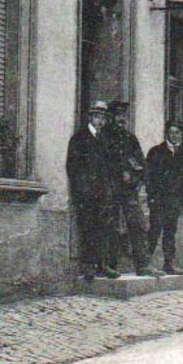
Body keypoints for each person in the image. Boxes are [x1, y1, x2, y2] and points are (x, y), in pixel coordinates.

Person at [102, 100, 161, 276]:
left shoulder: (130, 138)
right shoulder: (103, 137)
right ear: (110, 117)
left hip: (129, 189)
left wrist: (134, 176)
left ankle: (143, 265)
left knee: (138, 224)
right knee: (110, 226)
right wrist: (119, 172)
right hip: (110, 188)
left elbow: (142, 163)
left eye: (124, 116)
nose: (122, 119)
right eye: (118, 115)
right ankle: (109, 265)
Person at [66, 100, 120, 283]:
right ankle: (89, 266)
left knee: (104, 229)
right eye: (98, 116)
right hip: (86, 194)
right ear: (91, 117)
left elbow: (111, 167)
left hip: (104, 193)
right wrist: (82, 190)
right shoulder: (79, 138)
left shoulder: (106, 139)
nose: (101, 120)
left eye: (104, 117)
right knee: (88, 229)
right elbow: (72, 167)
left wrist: (110, 189)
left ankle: (103, 265)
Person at [146, 122, 183, 274]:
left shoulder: (182, 153)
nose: (175, 136)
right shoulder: (156, 151)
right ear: (166, 134)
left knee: (170, 233)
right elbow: (149, 176)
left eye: (178, 133)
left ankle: (169, 264)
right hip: (159, 200)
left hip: (174, 201)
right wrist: (151, 197)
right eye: (172, 133)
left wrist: (181, 199)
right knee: (154, 231)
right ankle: (145, 263)